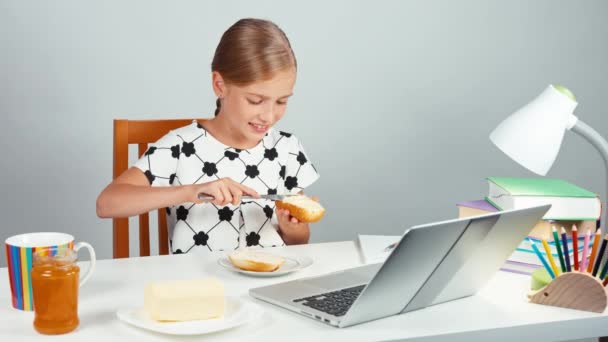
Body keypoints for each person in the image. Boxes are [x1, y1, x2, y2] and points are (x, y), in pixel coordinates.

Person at [96, 18, 320, 254]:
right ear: (219, 85)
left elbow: (298, 244)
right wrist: (190, 191)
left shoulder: (287, 148)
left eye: (281, 101)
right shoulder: (181, 147)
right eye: (256, 100)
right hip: (198, 286)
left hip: (269, 284)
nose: (269, 115)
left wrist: (294, 230)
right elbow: (107, 203)